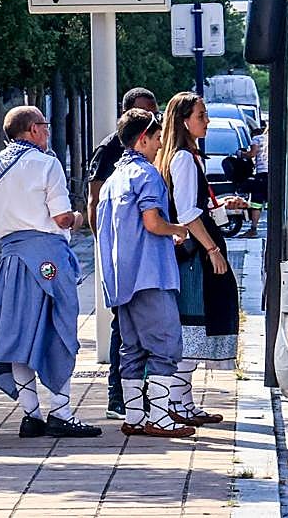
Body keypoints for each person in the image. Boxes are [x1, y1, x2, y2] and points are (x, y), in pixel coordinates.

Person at [0, 106, 101, 438]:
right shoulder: (46, 163)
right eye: (44, 125)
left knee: (18, 332)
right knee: (60, 327)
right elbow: (61, 218)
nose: (48, 132)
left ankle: (31, 414)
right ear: (32, 129)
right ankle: (61, 411)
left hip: (12, 258)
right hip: (47, 258)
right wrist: (79, 218)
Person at [95, 109, 195, 438]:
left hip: (121, 278)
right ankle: (161, 418)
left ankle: (136, 416)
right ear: (143, 139)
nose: (160, 144)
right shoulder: (147, 174)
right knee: (166, 347)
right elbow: (152, 222)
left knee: (132, 350)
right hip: (151, 274)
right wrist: (178, 229)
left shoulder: (112, 180)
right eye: (156, 138)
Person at [156, 92, 239, 426]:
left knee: (193, 326)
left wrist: (220, 209)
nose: (207, 121)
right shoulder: (183, 159)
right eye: (202, 115)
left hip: (190, 251)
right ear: (184, 121)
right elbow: (189, 213)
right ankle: (177, 402)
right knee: (193, 325)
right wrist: (213, 249)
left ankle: (183, 402)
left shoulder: (181, 156)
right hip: (194, 255)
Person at [86, 86, 158, 420]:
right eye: (144, 113)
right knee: (123, 326)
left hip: (145, 251)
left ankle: (139, 396)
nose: (151, 121)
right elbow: (95, 200)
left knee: (143, 327)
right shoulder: (110, 148)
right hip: (122, 251)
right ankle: (118, 395)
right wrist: (104, 245)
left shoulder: (151, 153)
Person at [245, 125, 268, 238]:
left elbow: (252, 154)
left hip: (261, 174)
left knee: (256, 202)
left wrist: (242, 154)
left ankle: (253, 228)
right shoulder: (279, 138)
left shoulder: (257, 139)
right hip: (275, 174)